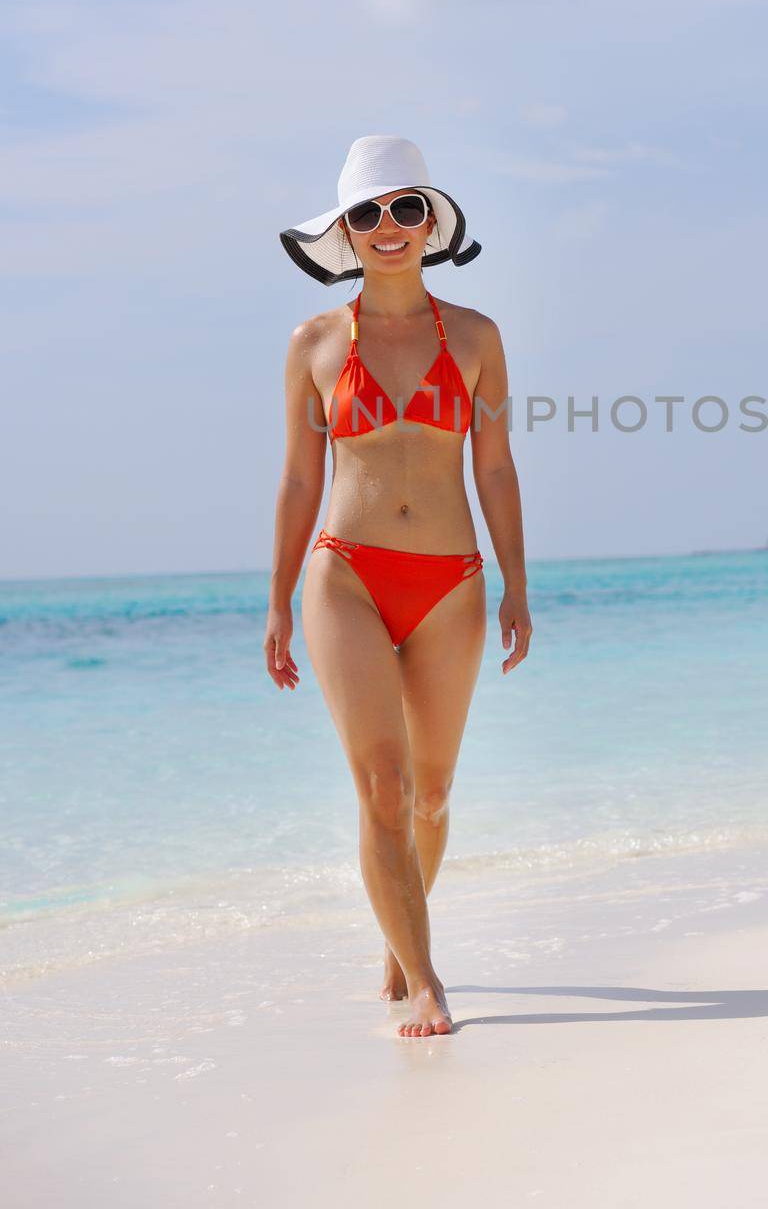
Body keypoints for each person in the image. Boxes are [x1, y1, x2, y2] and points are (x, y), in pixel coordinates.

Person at [264, 134, 533, 1037]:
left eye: (405, 208)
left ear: (430, 223)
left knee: (430, 793)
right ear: (346, 230)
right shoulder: (312, 343)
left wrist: (517, 587)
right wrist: (273, 603)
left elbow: (495, 469)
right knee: (379, 789)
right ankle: (426, 980)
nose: (389, 227)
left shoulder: (479, 336)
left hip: (451, 583)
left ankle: (396, 936)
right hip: (345, 576)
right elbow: (300, 479)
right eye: (368, 213)